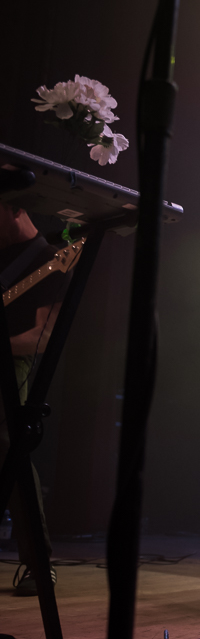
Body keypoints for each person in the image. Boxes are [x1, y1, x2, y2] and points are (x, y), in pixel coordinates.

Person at [0, 201, 65, 596]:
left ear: (14, 208)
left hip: (10, 365)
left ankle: (38, 563)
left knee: (8, 447)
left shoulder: (49, 260)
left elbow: (42, 336)